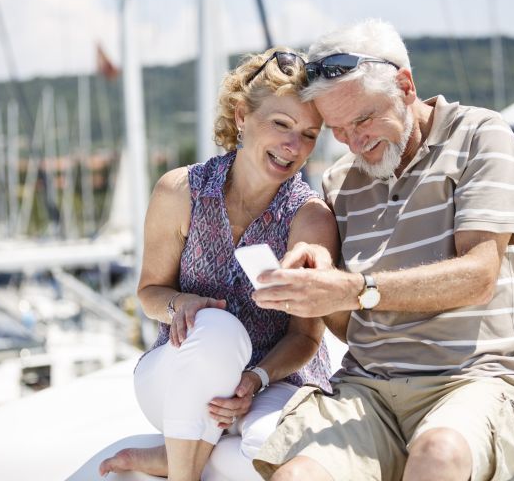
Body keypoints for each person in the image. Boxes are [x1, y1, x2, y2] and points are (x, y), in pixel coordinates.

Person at [250, 19, 514, 481]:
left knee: (440, 453)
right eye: (338, 129)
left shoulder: (479, 136)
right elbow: (350, 325)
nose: (354, 141)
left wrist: (357, 288)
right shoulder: (339, 183)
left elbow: (479, 276)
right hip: (369, 390)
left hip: (475, 380)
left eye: (364, 119)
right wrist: (316, 290)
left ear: (405, 85)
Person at [98, 47, 337, 481]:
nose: (293, 146)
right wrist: (180, 305)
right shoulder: (180, 191)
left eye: (308, 134)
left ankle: (172, 459)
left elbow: (306, 337)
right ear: (241, 115)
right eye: (281, 124)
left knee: (272, 452)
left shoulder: (310, 217)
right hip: (180, 376)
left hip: (272, 382)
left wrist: (256, 380)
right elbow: (150, 293)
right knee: (215, 327)